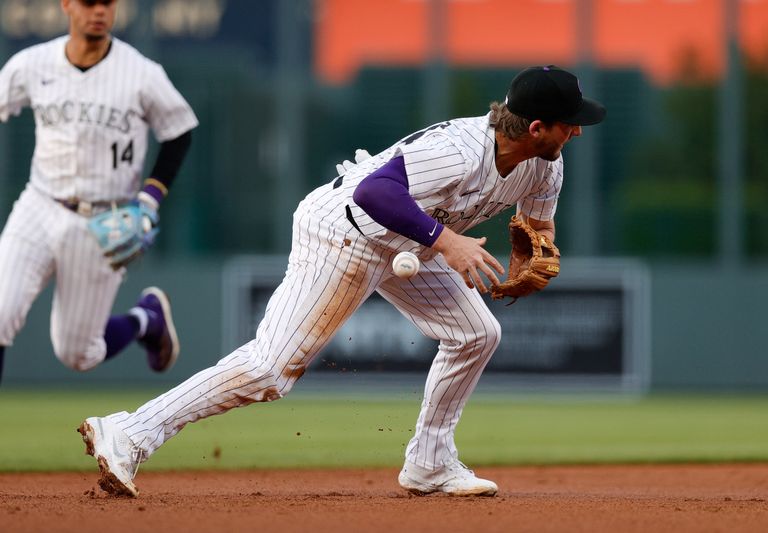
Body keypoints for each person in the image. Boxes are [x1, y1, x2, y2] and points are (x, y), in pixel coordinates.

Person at [78, 65, 606, 498]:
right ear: (536, 127)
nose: (577, 130)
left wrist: (533, 260)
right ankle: (129, 433)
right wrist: (448, 242)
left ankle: (430, 462)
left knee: (476, 334)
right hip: (343, 230)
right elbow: (374, 194)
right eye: (568, 123)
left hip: (406, 243)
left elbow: (537, 229)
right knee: (270, 371)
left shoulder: (545, 165)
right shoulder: (461, 149)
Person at [0, 0, 198, 383]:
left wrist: (150, 199)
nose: (99, 10)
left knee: (77, 353)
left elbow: (179, 133)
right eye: (89, 2)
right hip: (39, 205)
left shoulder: (141, 73)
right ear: (67, 5)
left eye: (107, 2)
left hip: (105, 220)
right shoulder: (32, 63)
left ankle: (146, 320)